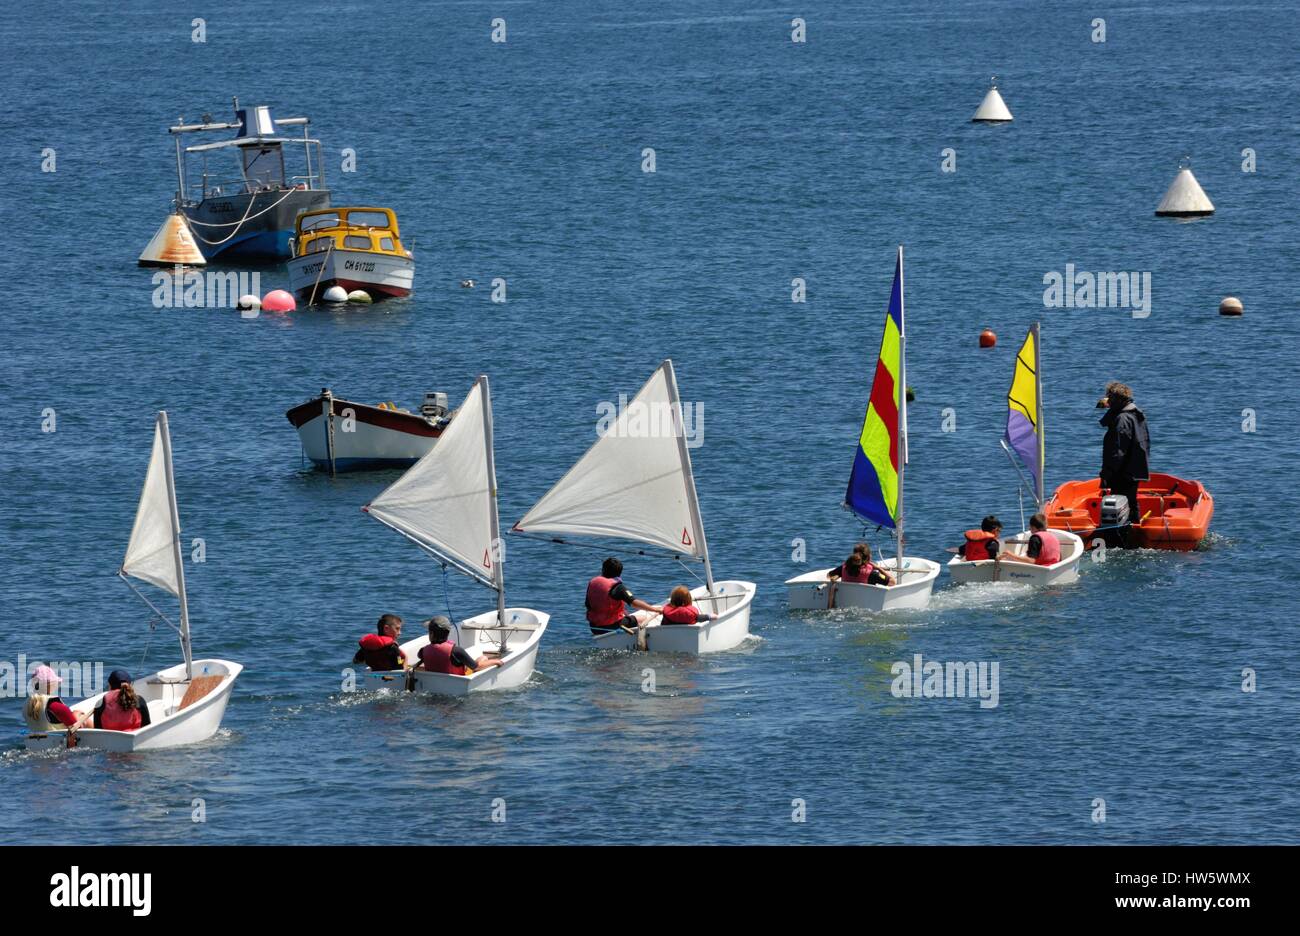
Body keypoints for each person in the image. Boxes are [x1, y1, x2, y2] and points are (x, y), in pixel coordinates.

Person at [1098, 381, 1150, 525]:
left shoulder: (1122, 419)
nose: (1108, 401)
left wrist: (1107, 473)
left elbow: (1118, 451)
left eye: (1110, 398)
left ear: (1117, 399)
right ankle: (1134, 528)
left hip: (1123, 472)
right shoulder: (1135, 413)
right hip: (1134, 468)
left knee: (1124, 502)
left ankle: (1125, 532)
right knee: (1130, 502)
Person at [585, 557, 663, 635]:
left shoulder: (593, 583)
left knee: (626, 616)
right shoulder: (618, 587)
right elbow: (634, 603)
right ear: (620, 573)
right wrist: (656, 610)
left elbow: (588, 604)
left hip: (594, 627)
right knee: (642, 618)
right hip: (610, 627)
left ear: (603, 570)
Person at [416, 616, 502, 675]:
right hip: (457, 684)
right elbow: (477, 668)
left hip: (435, 685)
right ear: (448, 632)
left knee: (482, 659)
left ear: (431, 634)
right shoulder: (456, 651)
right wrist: (496, 661)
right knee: (483, 658)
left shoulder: (422, 651)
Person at [24, 664, 89, 735]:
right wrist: (77, 714)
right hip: (60, 742)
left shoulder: (27, 705)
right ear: (50, 684)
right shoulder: (54, 706)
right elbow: (77, 729)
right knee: (79, 715)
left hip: (36, 742)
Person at [828, 544, 894, 586]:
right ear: (868, 558)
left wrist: (838, 575)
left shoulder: (844, 567)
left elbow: (829, 575)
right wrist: (878, 568)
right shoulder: (872, 574)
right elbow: (892, 582)